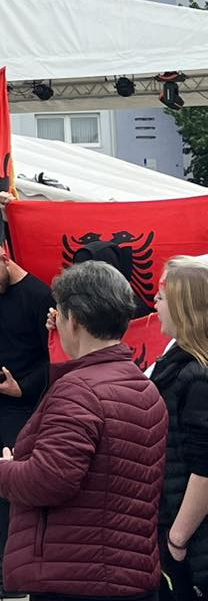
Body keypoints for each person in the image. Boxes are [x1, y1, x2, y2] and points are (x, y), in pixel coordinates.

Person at [0, 262, 168, 600]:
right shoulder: (141, 385)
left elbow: (49, 480)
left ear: (74, 319)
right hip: (123, 568)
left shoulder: (80, 391)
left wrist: (2, 471)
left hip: (74, 573)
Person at [0, 218, 57, 595]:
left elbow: (52, 356)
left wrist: (24, 389)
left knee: (15, 494)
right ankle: (8, 565)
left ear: (4, 257)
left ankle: (17, 572)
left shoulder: (39, 295)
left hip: (22, 408)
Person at [152, 256, 208, 601]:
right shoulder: (179, 363)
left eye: (161, 298)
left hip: (192, 539)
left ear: (182, 306)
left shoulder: (198, 376)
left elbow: (205, 469)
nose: (154, 305)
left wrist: (177, 538)